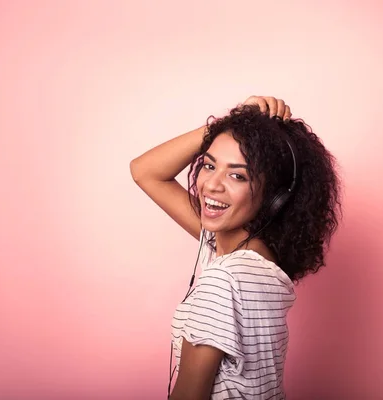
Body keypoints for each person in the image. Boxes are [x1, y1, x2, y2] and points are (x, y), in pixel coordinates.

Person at [130, 95, 341, 399]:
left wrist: (230, 124)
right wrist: (233, 123)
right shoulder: (262, 260)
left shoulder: (225, 279)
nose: (211, 185)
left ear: (274, 197)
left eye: (237, 175)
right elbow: (144, 170)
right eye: (208, 165)